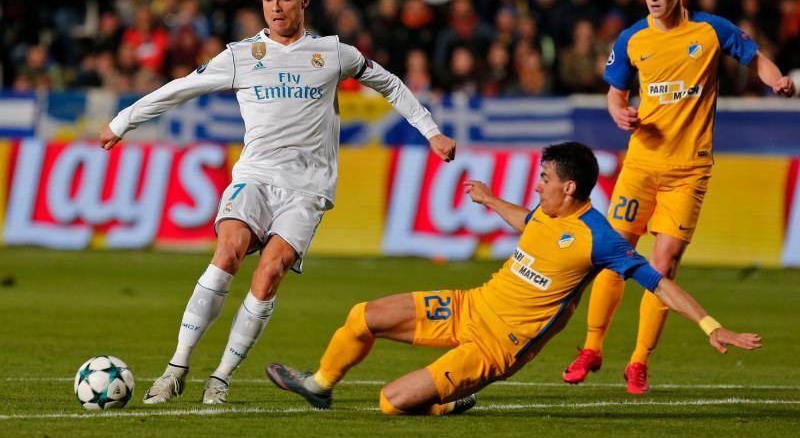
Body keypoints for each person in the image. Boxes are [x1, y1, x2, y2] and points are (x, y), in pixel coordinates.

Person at [98, 0, 457, 405]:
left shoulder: (333, 53)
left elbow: (389, 84)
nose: (275, 7)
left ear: (303, 1)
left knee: (269, 274)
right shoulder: (241, 55)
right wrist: (123, 121)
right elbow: (181, 89)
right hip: (255, 176)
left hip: (308, 187)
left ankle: (221, 378)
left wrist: (431, 131)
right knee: (227, 253)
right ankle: (176, 368)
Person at [266, 142, 761, 415]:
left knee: (390, 403)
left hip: (497, 347)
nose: (537, 184)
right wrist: (487, 199)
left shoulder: (600, 239)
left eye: (545, 178)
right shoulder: (546, 212)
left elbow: (658, 282)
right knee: (363, 316)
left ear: (569, 188)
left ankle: (451, 401)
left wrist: (710, 325)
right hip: (473, 304)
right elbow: (526, 221)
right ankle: (320, 385)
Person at [562, 0, 795, 394]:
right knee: (616, 256)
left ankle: (638, 361)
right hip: (642, 165)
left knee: (663, 266)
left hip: (689, 171)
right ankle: (591, 348)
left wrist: (776, 80)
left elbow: (756, 57)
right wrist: (619, 114)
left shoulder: (710, 31)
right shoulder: (632, 39)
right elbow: (616, 94)